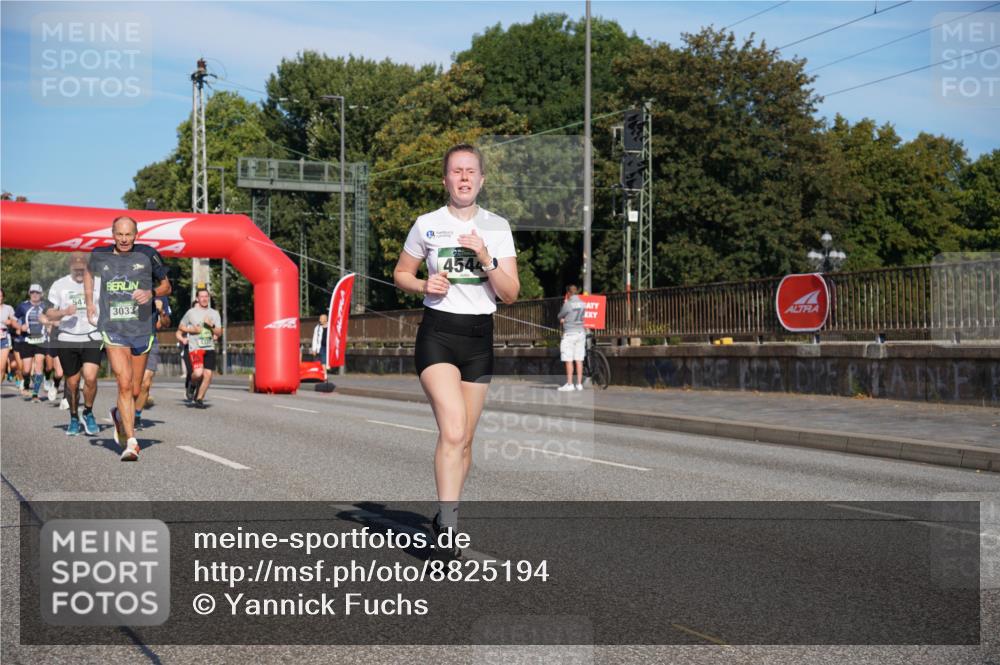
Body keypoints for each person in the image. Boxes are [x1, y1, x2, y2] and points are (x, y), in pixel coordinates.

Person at [392, 144, 519, 555]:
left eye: (470, 171)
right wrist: (422, 284)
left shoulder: (497, 226)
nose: (464, 177)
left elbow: (511, 293)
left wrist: (485, 257)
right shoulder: (427, 224)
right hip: (438, 335)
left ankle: (445, 514)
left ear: (482, 179)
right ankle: (447, 531)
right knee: (453, 431)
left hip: (479, 339)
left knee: (465, 442)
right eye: (456, 171)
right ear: (445, 179)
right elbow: (401, 273)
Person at [85, 216, 171, 461]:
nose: (124, 239)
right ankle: (131, 443)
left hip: (141, 328)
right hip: (113, 327)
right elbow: (89, 274)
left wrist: (150, 292)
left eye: (128, 234)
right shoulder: (99, 254)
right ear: (113, 234)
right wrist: (90, 302)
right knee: (123, 384)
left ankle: (118, 415)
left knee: (134, 389)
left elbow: (166, 286)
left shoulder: (148, 254)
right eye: (119, 234)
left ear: (136, 235)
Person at [45, 252, 103, 436]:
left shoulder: (99, 283)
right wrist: (63, 312)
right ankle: (73, 417)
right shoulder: (59, 285)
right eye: (76, 269)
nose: (79, 272)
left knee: (91, 378)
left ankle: (88, 412)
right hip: (67, 338)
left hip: (92, 336)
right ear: (70, 266)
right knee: (72, 383)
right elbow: (49, 313)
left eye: (82, 269)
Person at [178, 288, 222, 408]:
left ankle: (199, 399)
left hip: (209, 347)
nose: (204, 299)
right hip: (196, 348)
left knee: (208, 374)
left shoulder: (214, 313)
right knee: (198, 374)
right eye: (201, 296)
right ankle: (192, 384)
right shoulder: (191, 312)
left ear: (209, 298)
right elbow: (181, 326)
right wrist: (192, 330)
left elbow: (219, 332)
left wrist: (211, 325)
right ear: (197, 298)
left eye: (206, 296)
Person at [135, 296, 171, 426]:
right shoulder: (129, 289)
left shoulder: (161, 298)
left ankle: (136, 416)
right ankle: (124, 411)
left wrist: (161, 312)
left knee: (146, 382)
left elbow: (166, 324)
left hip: (150, 340)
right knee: (131, 383)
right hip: (129, 340)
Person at [14, 284, 53, 402]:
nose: (35, 295)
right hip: (26, 340)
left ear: (41, 294)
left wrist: (49, 327)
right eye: (32, 292)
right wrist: (20, 327)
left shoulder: (46, 306)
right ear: (29, 293)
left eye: (37, 292)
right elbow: (13, 320)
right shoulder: (22, 306)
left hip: (41, 340)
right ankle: (26, 382)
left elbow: (52, 320)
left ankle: (35, 394)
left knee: (39, 366)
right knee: (26, 370)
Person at [557, 284, 587, 391]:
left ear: (569, 293)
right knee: (579, 359)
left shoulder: (568, 304)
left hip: (569, 334)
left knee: (568, 359)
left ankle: (570, 384)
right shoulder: (583, 304)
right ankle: (579, 384)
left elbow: (560, 316)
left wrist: (563, 320)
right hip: (581, 333)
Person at [0, 288, 17, 389]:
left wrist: (10, 322)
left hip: (4, 338)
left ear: (3, 297)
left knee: (2, 367)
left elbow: (15, 321)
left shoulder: (8, 308)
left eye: (0, 296)